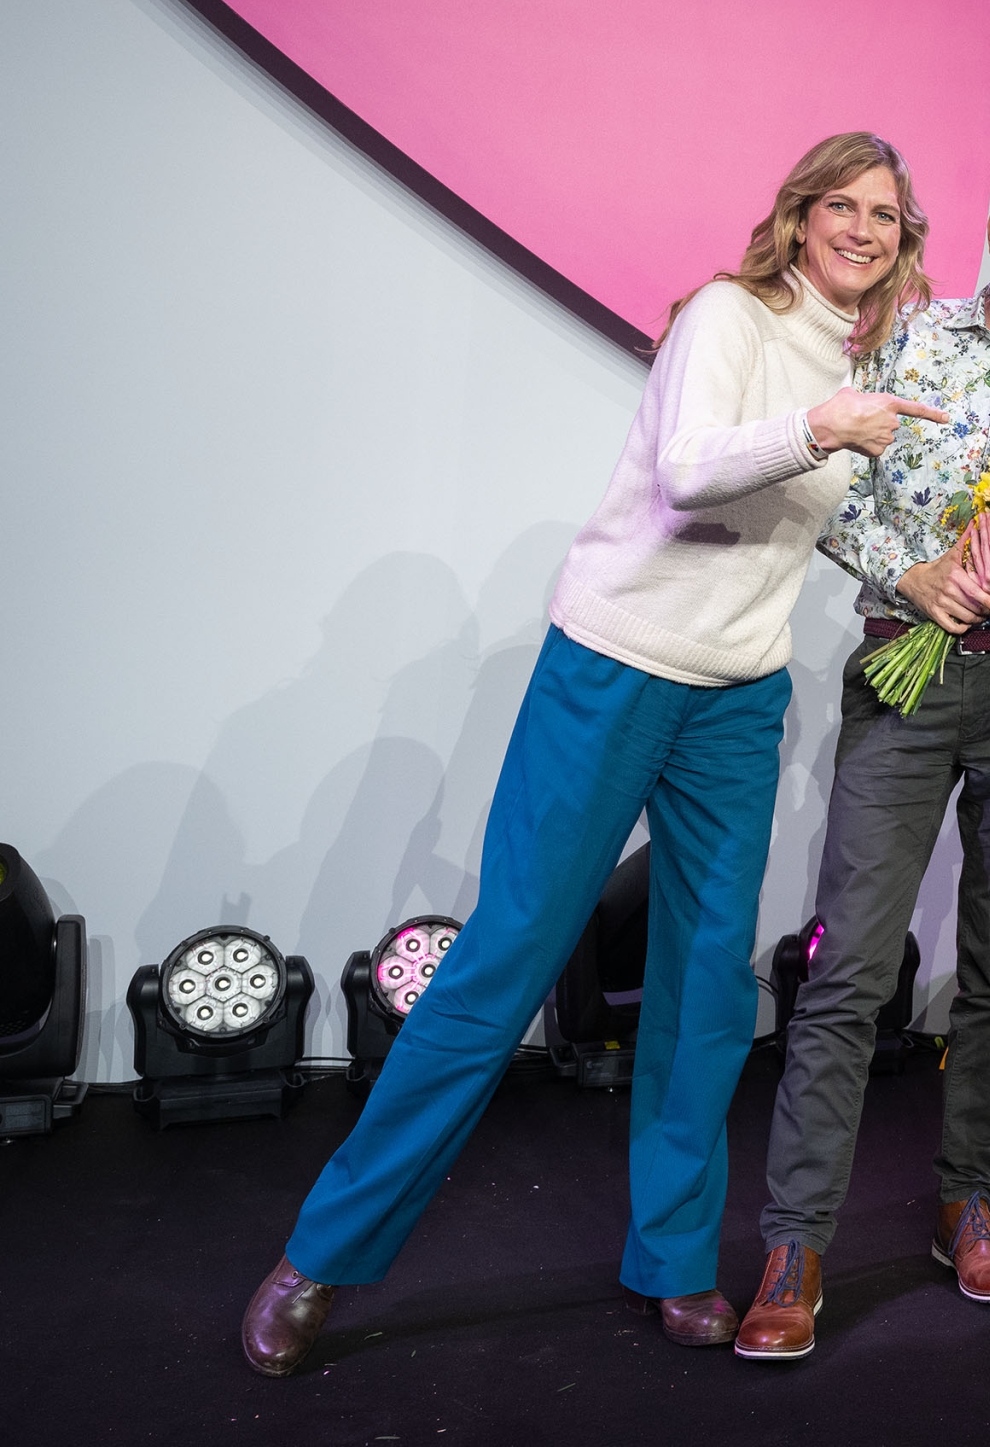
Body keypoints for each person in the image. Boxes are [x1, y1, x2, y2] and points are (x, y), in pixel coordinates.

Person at [238, 133, 949, 1376]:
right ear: (797, 215)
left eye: (885, 215)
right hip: (615, 662)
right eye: (843, 204)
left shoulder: (854, 362)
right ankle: (320, 1259)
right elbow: (689, 475)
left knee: (708, 989)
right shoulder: (730, 318)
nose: (863, 229)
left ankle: (674, 1262)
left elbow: (808, 525)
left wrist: (916, 571)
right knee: (505, 961)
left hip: (736, 697)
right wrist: (823, 425)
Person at [736, 148, 990, 1358]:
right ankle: (794, 1242)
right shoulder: (905, 342)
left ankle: (969, 1201)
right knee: (850, 970)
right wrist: (904, 573)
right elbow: (830, 495)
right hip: (902, 672)